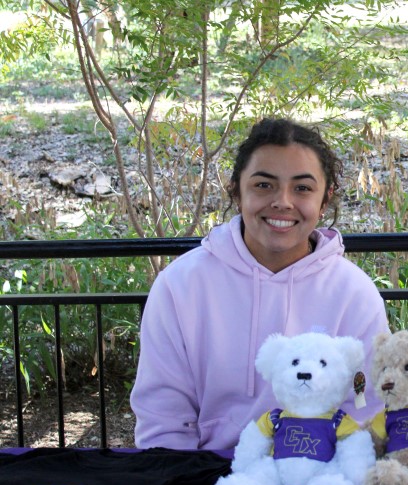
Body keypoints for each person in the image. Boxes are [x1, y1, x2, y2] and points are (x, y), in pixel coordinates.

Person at [131, 118, 389, 450]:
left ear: (325, 200)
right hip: (198, 476)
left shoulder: (355, 294)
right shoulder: (179, 286)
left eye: (302, 188)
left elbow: (365, 405)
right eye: (264, 185)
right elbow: (163, 415)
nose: (282, 201)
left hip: (319, 479)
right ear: (236, 191)